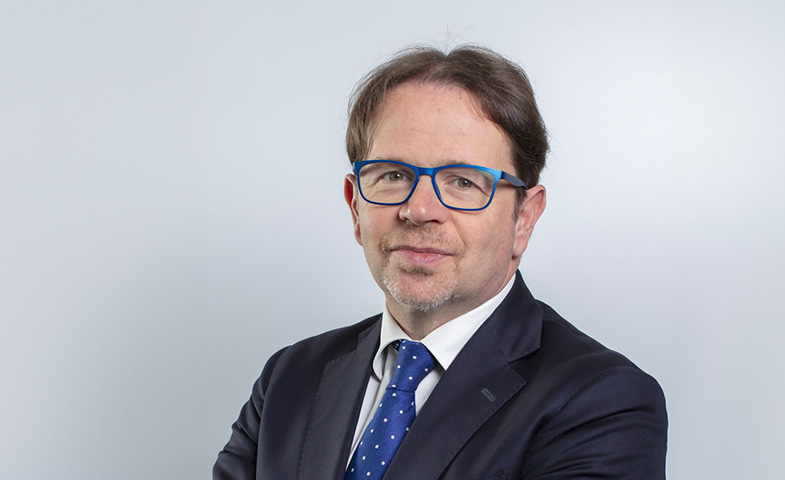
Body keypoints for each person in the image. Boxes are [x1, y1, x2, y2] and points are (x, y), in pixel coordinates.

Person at [214, 45, 668, 480]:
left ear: (524, 219)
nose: (419, 210)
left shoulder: (602, 401)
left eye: (463, 182)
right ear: (355, 207)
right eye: (394, 175)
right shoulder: (290, 377)